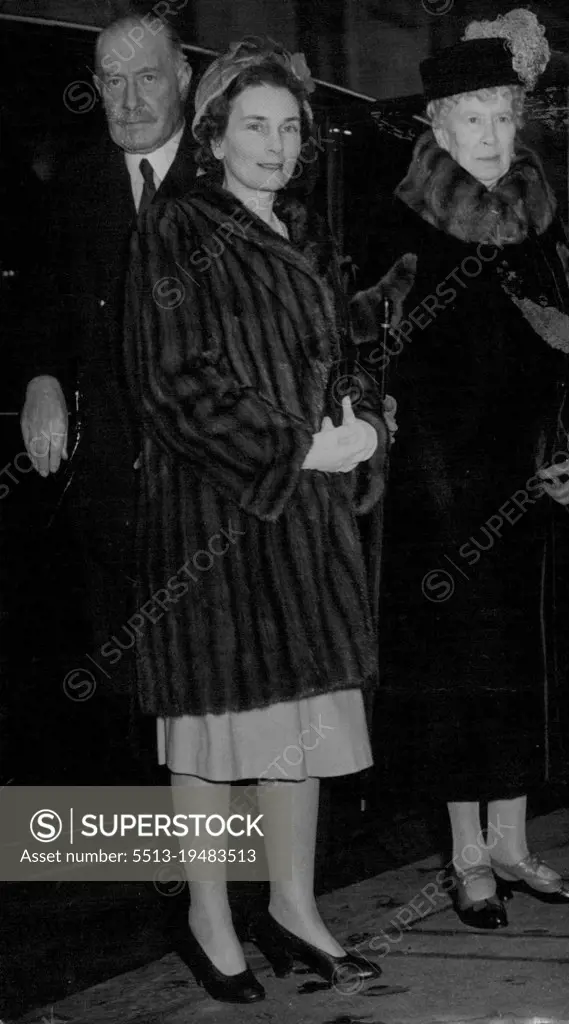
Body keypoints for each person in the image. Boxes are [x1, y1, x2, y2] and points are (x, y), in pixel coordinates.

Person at [123, 37, 414, 1003]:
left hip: (301, 528)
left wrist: (367, 424)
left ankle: (293, 906)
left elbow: (348, 362)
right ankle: (209, 917)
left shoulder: (300, 236)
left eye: (290, 129)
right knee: (213, 733)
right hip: (213, 525)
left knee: (302, 730)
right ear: (213, 135)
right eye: (255, 124)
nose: (276, 144)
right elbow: (174, 384)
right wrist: (297, 450)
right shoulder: (176, 229)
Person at [371, 8, 569, 929]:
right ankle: (467, 858)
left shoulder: (544, 229)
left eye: (503, 116)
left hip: (532, 489)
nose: (489, 136)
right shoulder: (398, 226)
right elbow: (360, 347)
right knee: (456, 674)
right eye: (470, 117)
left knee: (525, 670)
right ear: (437, 126)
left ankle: (514, 848)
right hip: (436, 495)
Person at [18, 10, 198, 780]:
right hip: (115, 479)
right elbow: (44, 300)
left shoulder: (229, 174)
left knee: (211, 672)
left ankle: (231, 864)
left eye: (146, 78)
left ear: (183, 79)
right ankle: (156, 856)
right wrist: (43, 377)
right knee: (125, 672)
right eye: (111, 82)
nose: (126, 102)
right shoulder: (80, 181)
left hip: (211, 474)